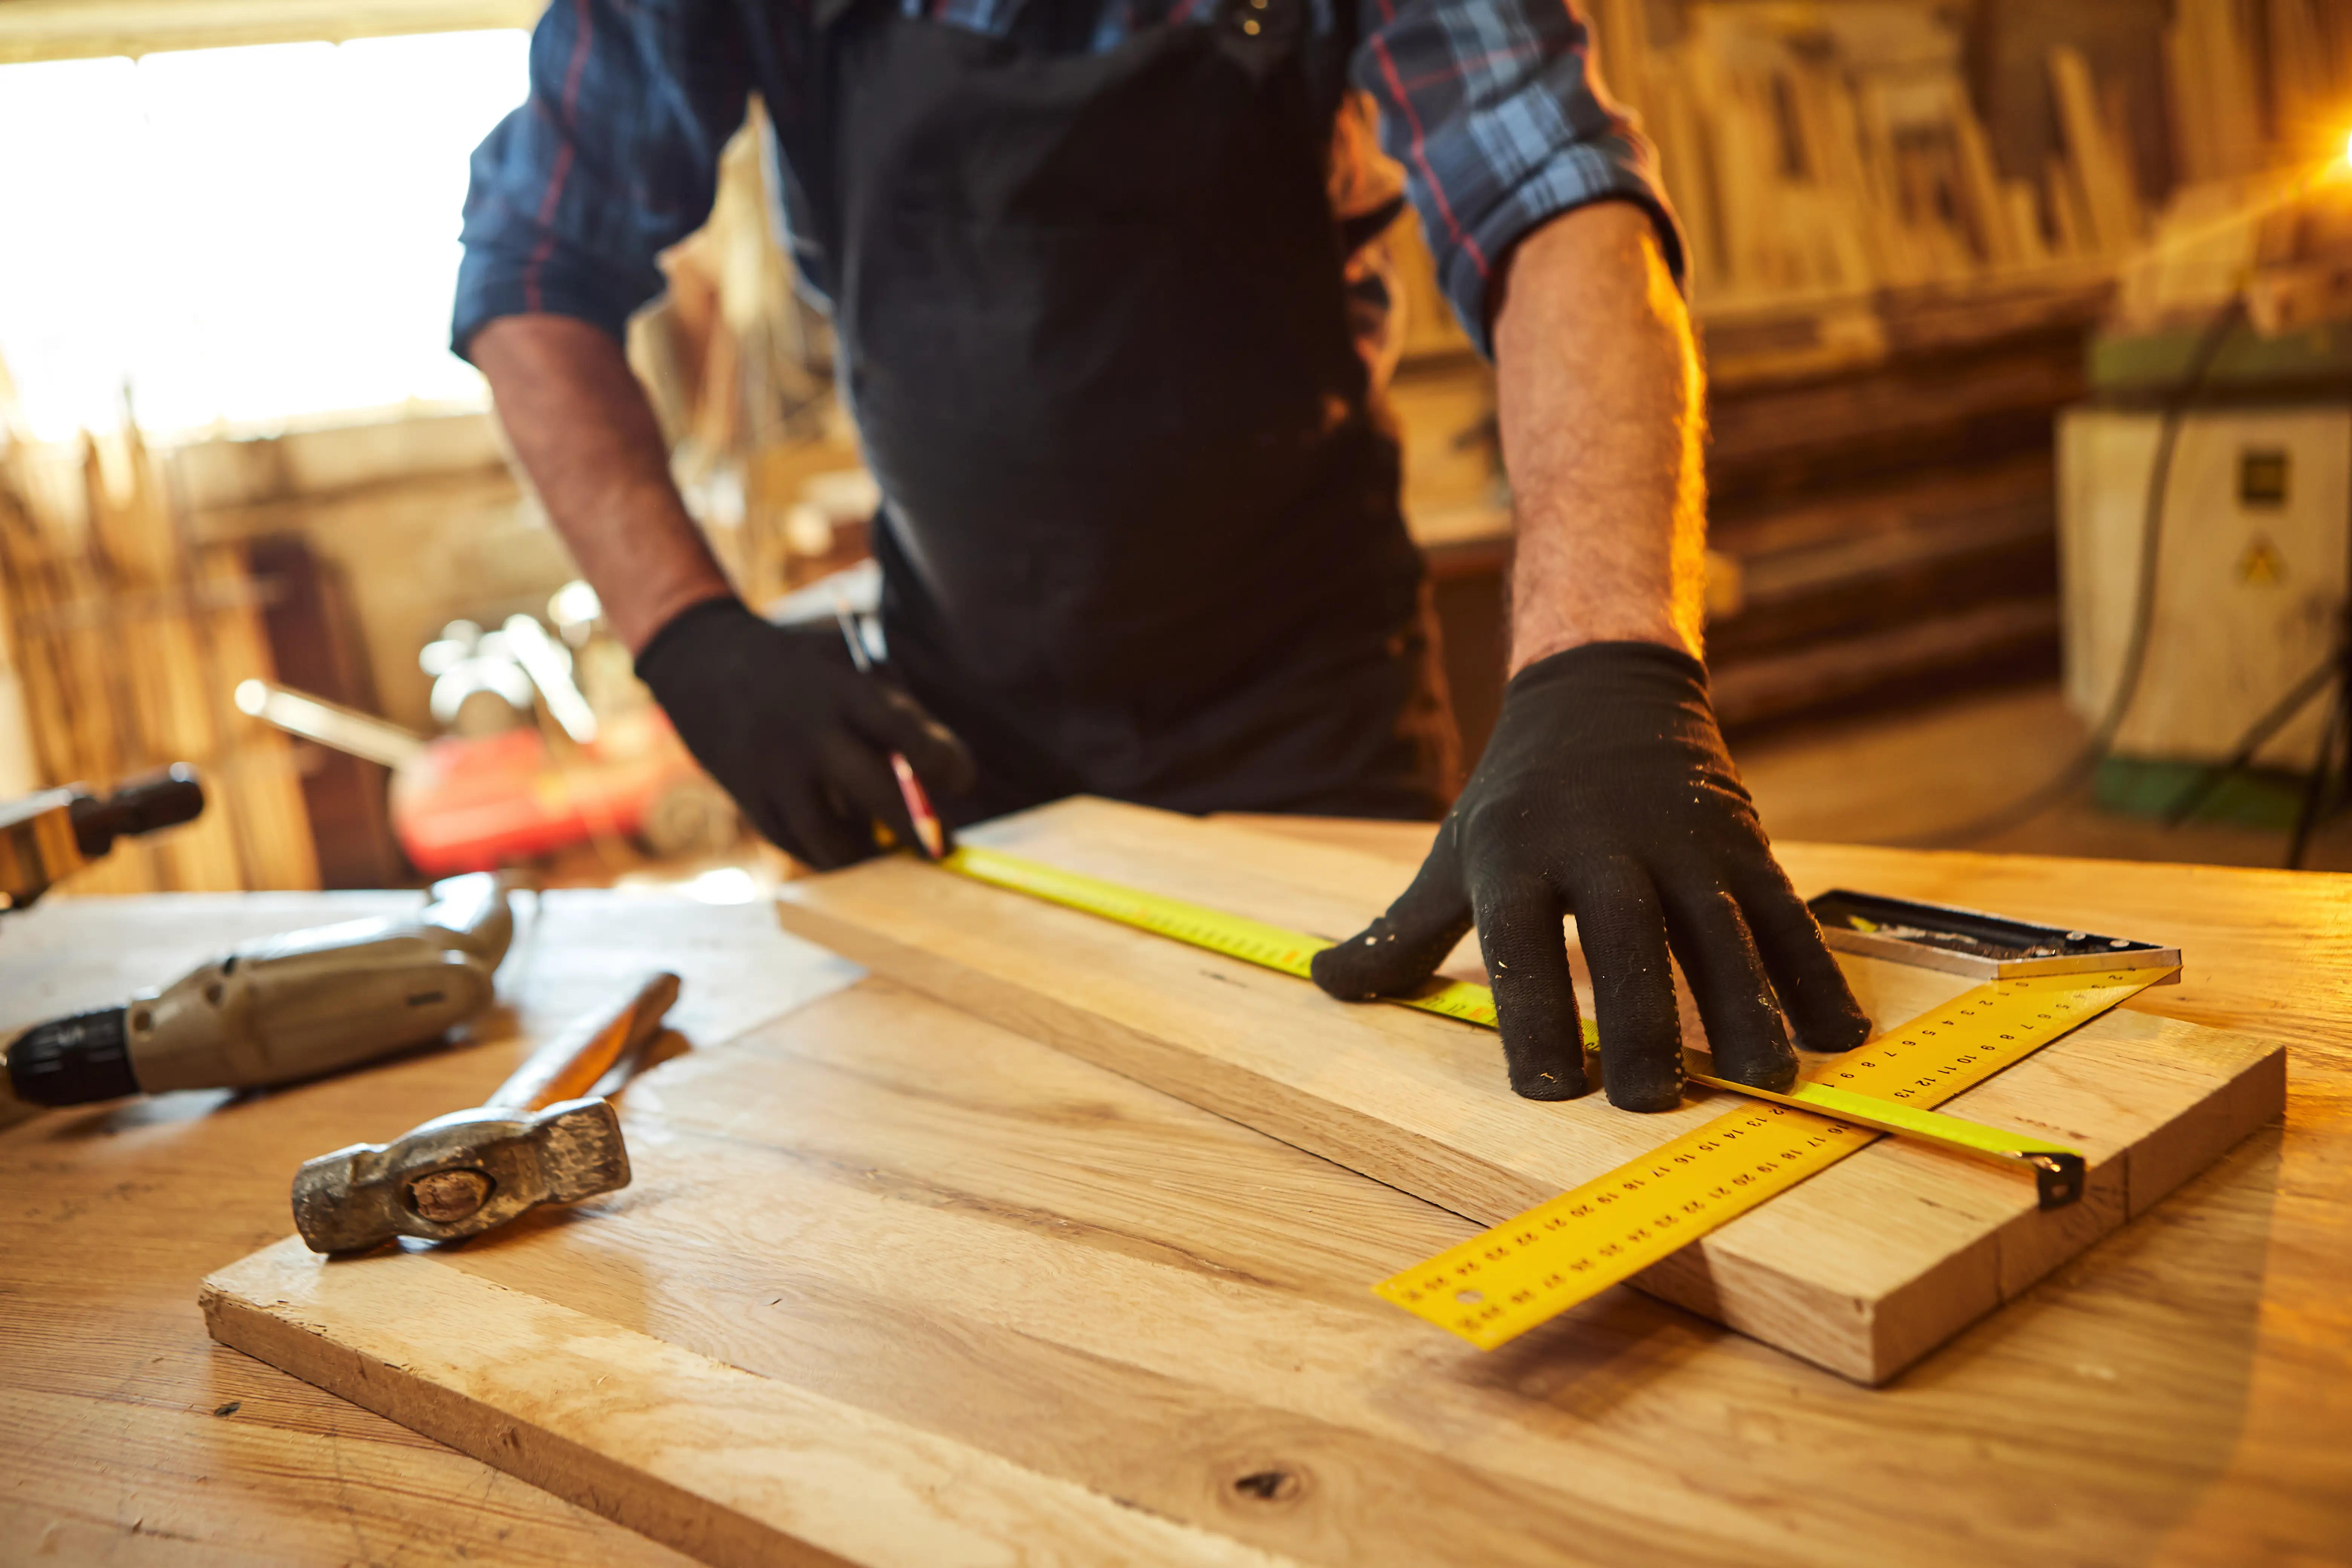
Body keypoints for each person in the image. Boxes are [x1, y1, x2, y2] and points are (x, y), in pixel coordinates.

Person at [454, 0, 1871, 1113]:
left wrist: (1606, 659)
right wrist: (689, 634)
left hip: (1306, 705)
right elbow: (533, 265)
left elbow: (1555, 192)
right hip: (958, 745)